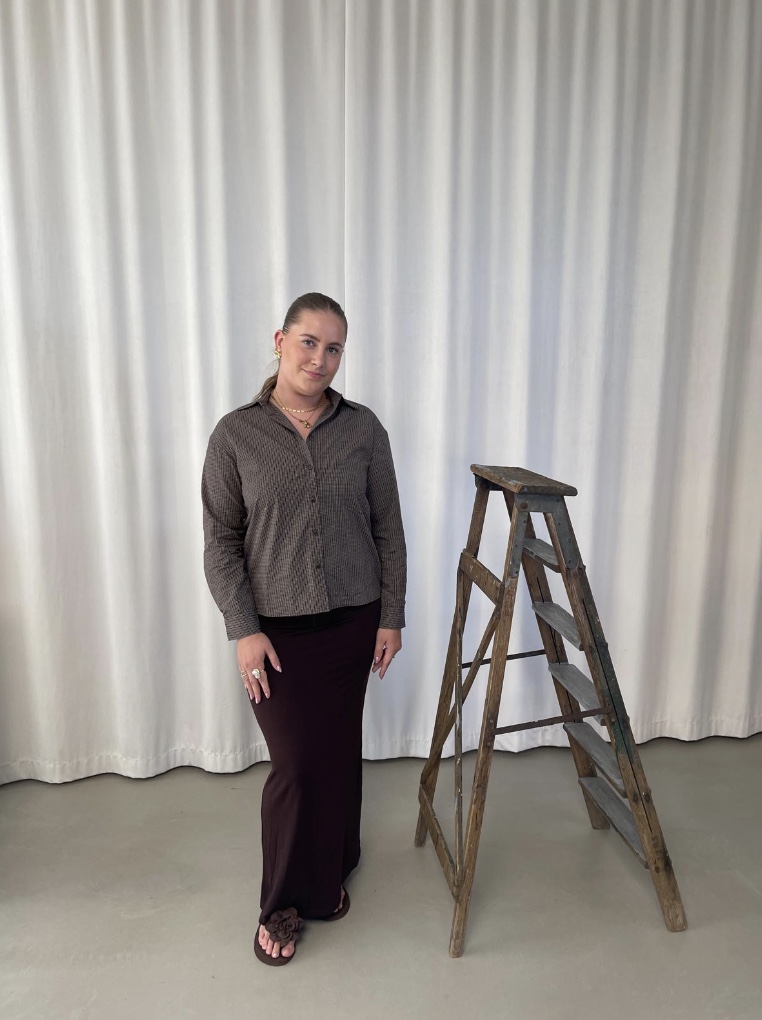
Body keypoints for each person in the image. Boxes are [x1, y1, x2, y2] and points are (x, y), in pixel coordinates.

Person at [201, 293, 407, 966]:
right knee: (294, 764)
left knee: (339, 750)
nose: (320, 358)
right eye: (309, 342)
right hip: (275, 634)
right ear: (280, 340)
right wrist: (243, 629)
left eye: (334, 347)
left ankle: (334, 867)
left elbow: (388, 530)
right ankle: (283, 904)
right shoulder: (236, 435)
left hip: (352, 621)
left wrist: (390, 615)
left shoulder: (363, 430)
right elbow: (221, 542)